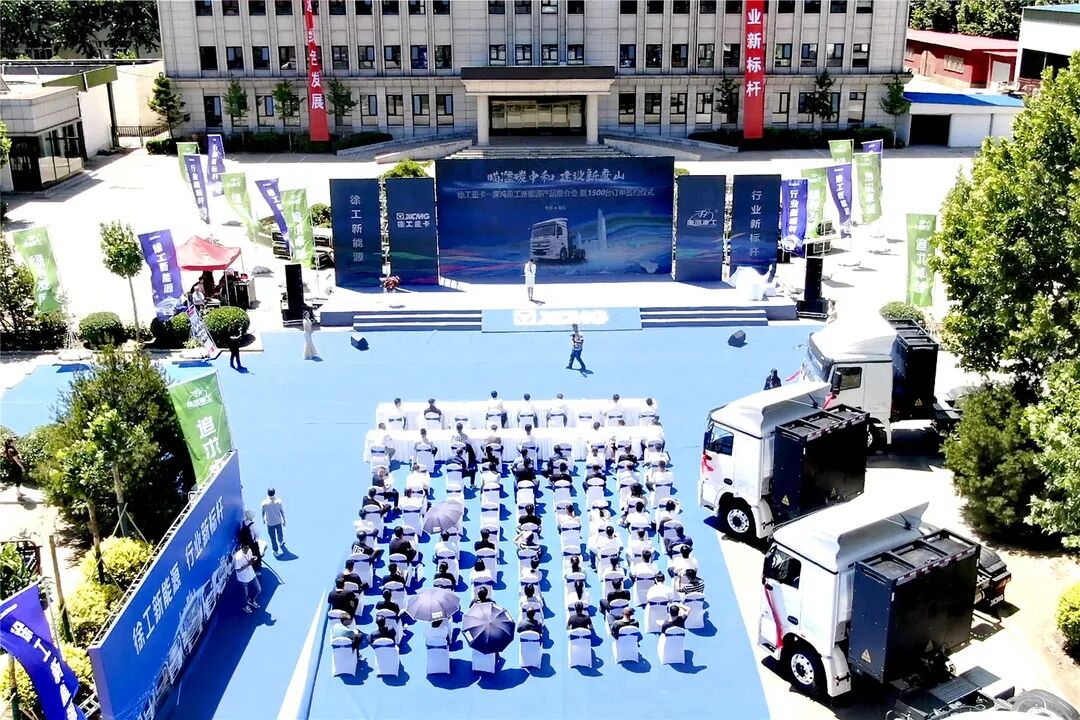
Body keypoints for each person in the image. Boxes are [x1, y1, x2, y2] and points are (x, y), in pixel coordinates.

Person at [233, 545, 260, 613]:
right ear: (241, 547)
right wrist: (248, 564)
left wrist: (253, 558)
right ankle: (245, 606)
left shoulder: (249, 550)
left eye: (248, 548)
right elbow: (238, 570)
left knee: (258, 589)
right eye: (245, 548)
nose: (247, 549)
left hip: (251, 574)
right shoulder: (237, 557)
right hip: (243, 578)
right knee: (245, 594)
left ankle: (252, 600)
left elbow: (250, 559)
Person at [261, 487, 287, 557]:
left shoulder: (264, 503)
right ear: (274, 493)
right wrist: (284, 520)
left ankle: (276, 551)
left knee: (273, 538)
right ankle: (281, 542)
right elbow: (282, 512)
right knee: (280, 533)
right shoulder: (278, 502)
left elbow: (263, 512)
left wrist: (263, 519)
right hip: (278, 521)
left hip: (270, 523)